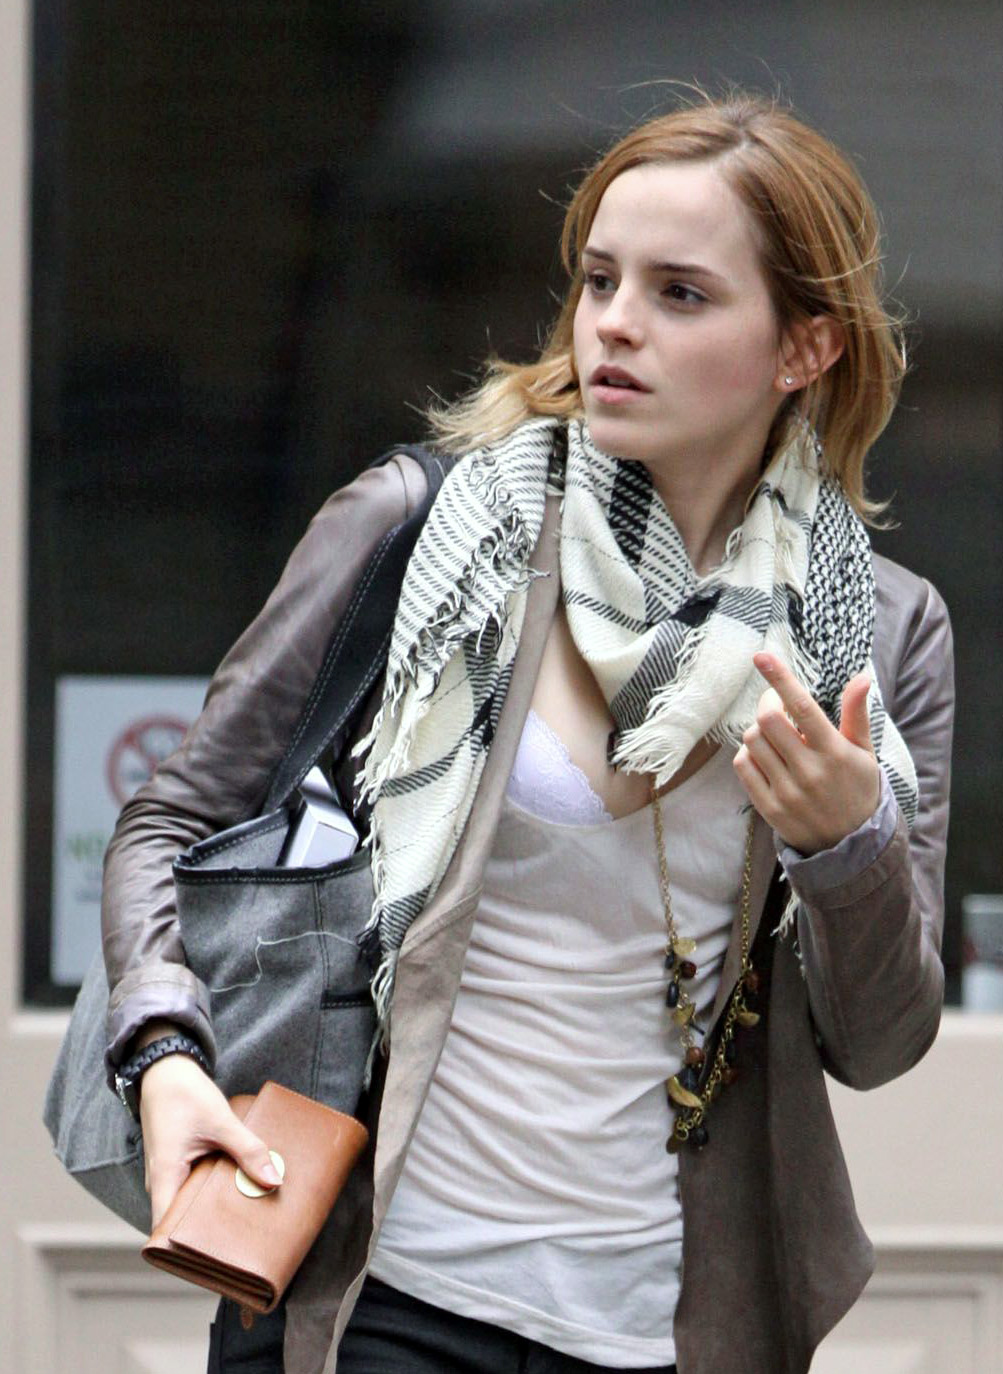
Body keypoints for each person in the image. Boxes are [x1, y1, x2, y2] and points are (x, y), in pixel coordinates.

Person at [100, 90, 953, 1374]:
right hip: (380, 1290)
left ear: (804, 349)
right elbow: (174, 818)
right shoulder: (432, 534)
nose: (614, 322)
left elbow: (879, 1041)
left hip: (659, 1325)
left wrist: (848, 846)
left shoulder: (876, 633)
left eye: (680, 293)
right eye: (599, 279)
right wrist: (165, 1056)